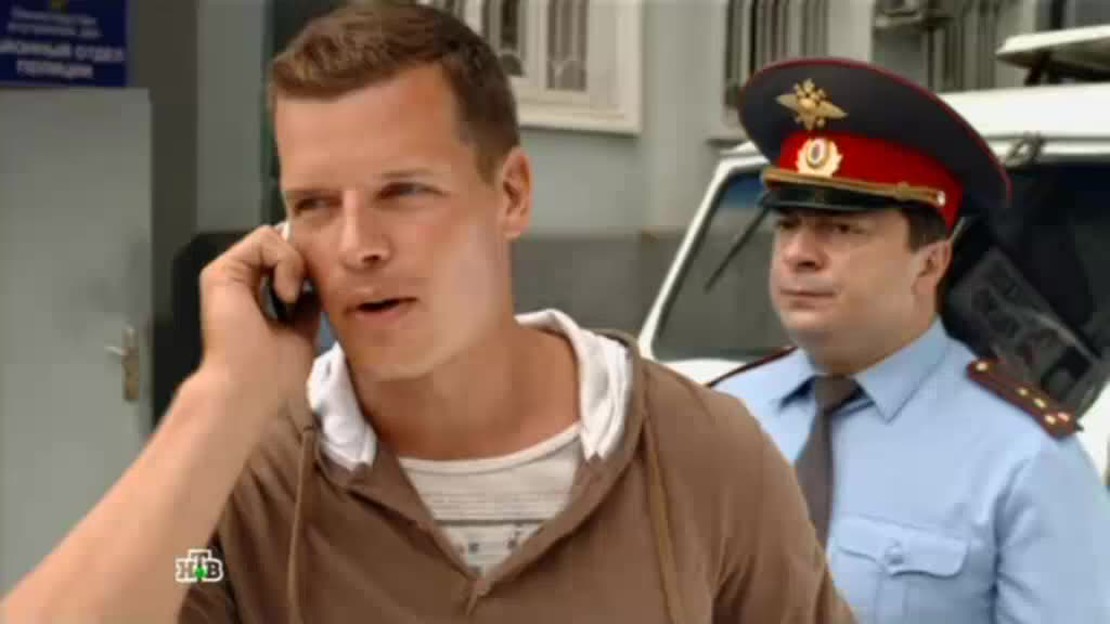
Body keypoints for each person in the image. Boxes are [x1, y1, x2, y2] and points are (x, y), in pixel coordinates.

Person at [0, 5, 854, 623]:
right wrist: (221, 399)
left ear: (510, 193)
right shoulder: (241, 508)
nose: (357, 245)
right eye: (314, 204)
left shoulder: (701, 461)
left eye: (403, 191)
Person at [711, 57, 1110, 623]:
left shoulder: (1025, 460)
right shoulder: (722, 413)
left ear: (930, 263)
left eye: (841, 228)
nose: (799, 254)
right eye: (788, 224)